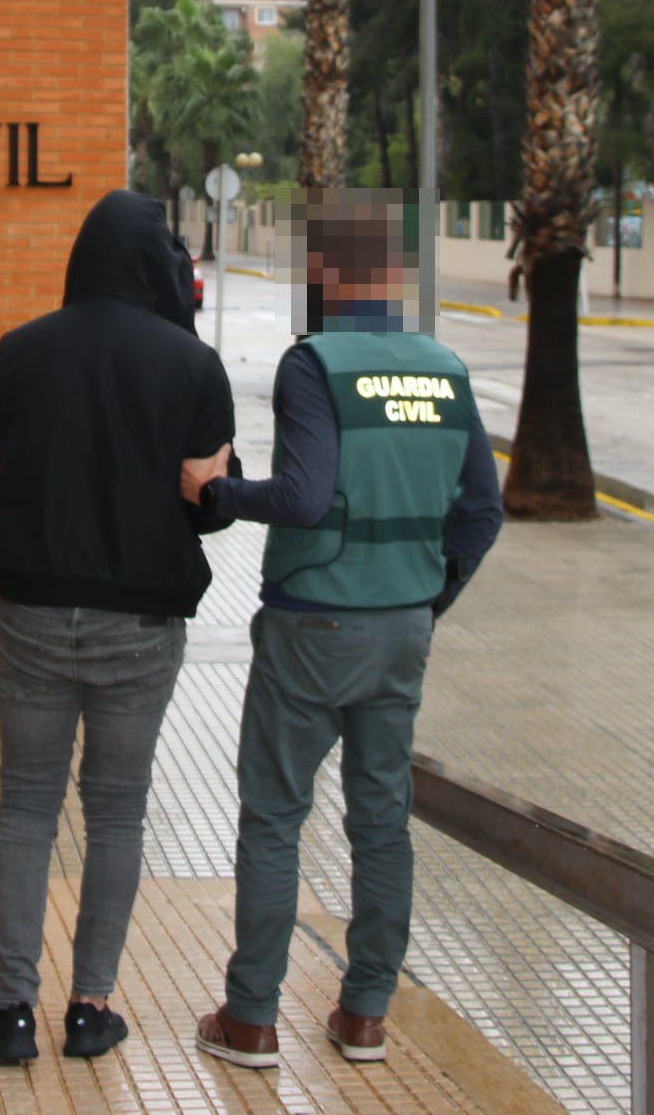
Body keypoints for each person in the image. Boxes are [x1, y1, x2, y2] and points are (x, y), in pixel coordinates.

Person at [182, 194, 503, 1069]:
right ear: (395, 277)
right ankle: (364, 1014)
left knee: (276, 817)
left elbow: (304, 496)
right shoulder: (444, 367)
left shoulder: (313, 363)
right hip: (402, 629)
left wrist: (218, 496)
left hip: (313, 624)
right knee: (381, 819)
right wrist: (427, 597)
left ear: (325, 276)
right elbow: (484, 510)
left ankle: (250, 1018)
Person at [0, 190, 238, 1064]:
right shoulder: (193, 366)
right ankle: (89, 1008)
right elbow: (214, 506)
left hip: (34, 614)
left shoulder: (18, 351)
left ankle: (10, 1011)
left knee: (26, 808)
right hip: (141, 625)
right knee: (116, 812)